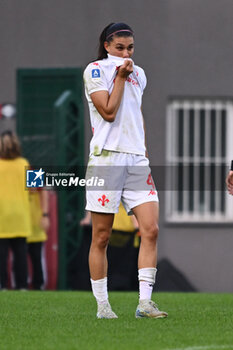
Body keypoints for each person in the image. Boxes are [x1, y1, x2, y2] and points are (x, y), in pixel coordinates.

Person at [83, 22, 167, 319]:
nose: (126, 53)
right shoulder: (96, 70)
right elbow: (108, 111)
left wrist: (143, 148)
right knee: (102, 236)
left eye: (130, 48)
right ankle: (103, 306)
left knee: (151, 229)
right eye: (119, 47)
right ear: (107, 46)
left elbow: (135, 112)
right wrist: (119, 76)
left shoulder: (140, 74)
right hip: (106, 160)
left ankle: (144, 303)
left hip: (136, 160)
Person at [0, 131, 30, 290]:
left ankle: (2, 286)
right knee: (21, 256)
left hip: (2, 218)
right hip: (21, 216)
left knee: (1, 256)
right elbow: (36, 189)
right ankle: (22, 286)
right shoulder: (24, 163)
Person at [27, 188, 50, 290]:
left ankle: (39, 285)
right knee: (18, 257)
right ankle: (21, 285)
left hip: (34, 222)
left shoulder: (31, 172)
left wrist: (45, 215)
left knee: (37, 256)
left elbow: (43, 192)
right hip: (18, 223)